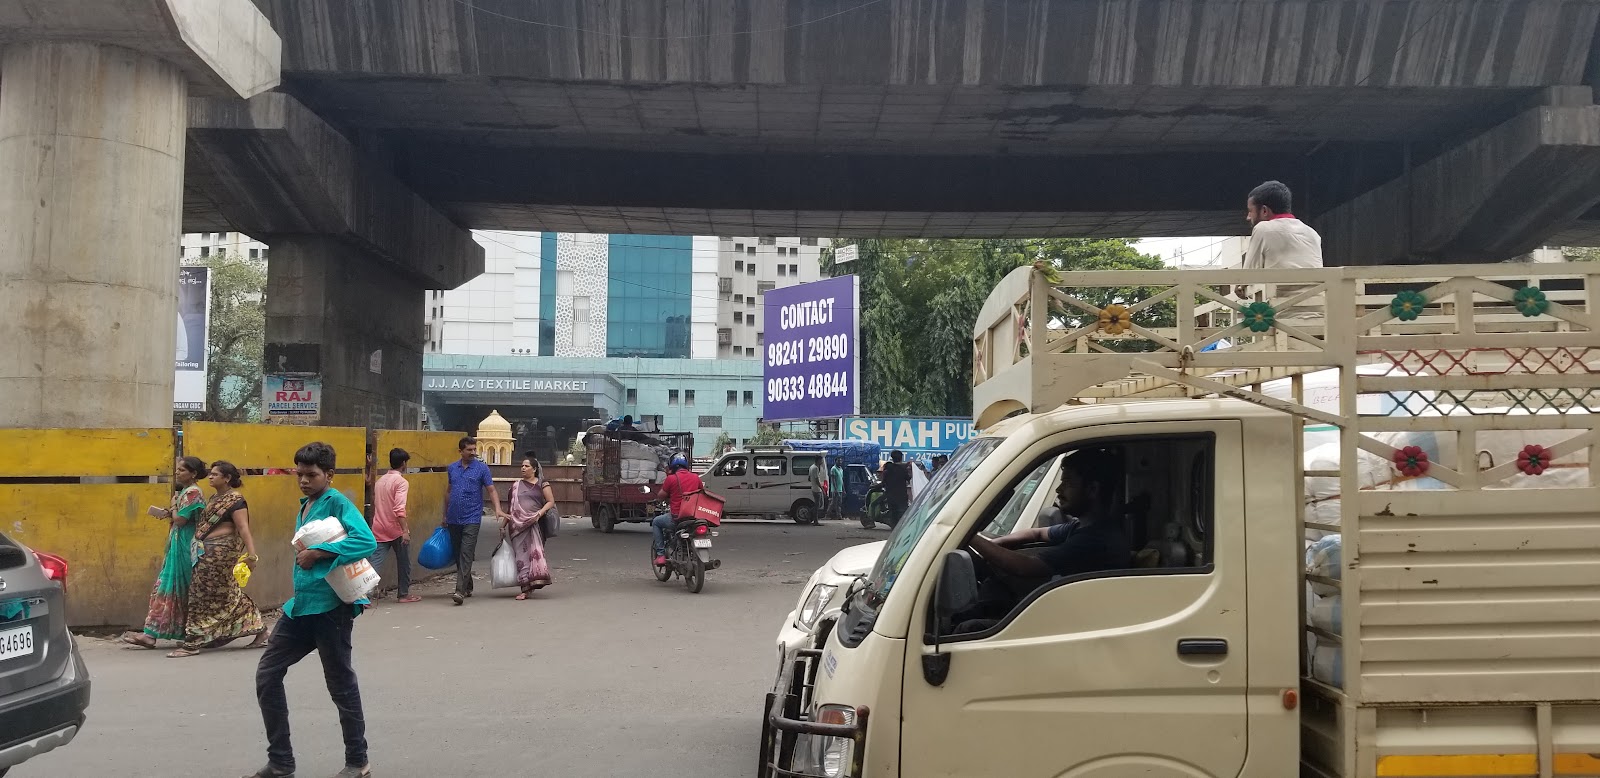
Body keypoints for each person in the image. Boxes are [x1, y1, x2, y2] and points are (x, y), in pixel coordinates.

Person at [244, 442, 378, 778]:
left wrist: (319, 552)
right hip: (301, 606)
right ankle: (281, 762)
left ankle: (358, 762)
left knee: (340, 683)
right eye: (299, 474)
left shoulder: (337, 502)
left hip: (332, 607)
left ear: (329, 475)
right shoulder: (306, 505)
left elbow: (366, 541)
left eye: (311, 475)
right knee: (267, 675)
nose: (303, 480)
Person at [970, 451, 1129, 581]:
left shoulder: (1095, 540)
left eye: (1067, 483)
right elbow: (1036, 533)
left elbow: (1025, 567)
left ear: (1092, 489)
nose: (1059, 490)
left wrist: (970, 537)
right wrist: (996, 543)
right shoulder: (1080, 527)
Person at [170, 461, 267, 657]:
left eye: (215, 474)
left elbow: (243, 528)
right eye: (211, 474)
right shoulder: (215, 498)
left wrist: (252, 555)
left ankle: (194, 641)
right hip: (204, 551)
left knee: (202, 593)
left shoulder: (236, 500)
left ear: (227, 478)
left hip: (222, 553)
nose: (211, 477)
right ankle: (261, 629)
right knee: (223, 592)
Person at [123, 456, 207, 649]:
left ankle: (151, 634)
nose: (177, 473)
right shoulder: (186, 492)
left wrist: (174, 506)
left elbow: (180, 521)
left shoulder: (193, 492)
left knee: (171, 587)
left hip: (185, 545)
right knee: (174, 587)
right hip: (179, 543)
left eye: (182, 470)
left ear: (193, 474)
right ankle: (175, 631)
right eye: (177, 470)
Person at [443, 435, 507, 606]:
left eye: (474, 449)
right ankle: (468, 585)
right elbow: (448, 492)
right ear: (460, 451)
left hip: (472, 517)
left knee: (466, 552)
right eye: (469, 450)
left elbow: (492, 490)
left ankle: (459, 591)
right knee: (458, 554)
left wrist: (498, 509)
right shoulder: (452, 468)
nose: (473, 453)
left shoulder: (482, 469)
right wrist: (444, 514)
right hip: (453, 517)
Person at [1239, 180, 1322, 289]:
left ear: (1264, 211)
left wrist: (1240, 286)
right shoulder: (1312, 233)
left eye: (1250, 211)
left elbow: (1247, 276)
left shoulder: (1263, 229)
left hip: (1283, 304)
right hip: (1319, 302)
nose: (1248, 217)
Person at [369, 448, 419, 603]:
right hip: (396, 528)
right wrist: (405, 530)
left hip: (378, 527)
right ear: (404, 463)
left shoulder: (380, 481)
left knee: (374, 564)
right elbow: (399, 508)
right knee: (404, 563)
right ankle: (403, 594)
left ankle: (364, 597)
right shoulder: (401, 482)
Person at [505, 454, 556, 599]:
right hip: (516, 526)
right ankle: (525, 586)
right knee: (521, 556)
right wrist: (503, 526)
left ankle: (529, 586)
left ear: (534, 469)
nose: (523, 468)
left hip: (536, 524)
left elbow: (550, 501)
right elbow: (511, 508)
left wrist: (539, 514)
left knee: (533, 554)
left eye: (526, 466)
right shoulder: (515, 486)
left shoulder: (542, 484)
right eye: (522, 466)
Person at [652, 455, 703, 566]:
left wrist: (661, 498)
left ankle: (660, 555)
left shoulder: (671, 479)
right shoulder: (696, 478)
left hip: (677, 518)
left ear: (672, 466)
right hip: (694, 517)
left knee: (656, 522)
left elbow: (661, 496)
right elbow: (702, 493)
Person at [879, 450, 913, 526]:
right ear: (901, 458)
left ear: (892, 458)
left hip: (891, 497)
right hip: (902, 497)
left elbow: (883, 483)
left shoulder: (888, 469)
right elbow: (909, 478)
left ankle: (894, 532)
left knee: (893, 516)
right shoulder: (903, 470)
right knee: (901, 517)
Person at [808, 456, 827, 522]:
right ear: (818, 460)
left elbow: (809, 478)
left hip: (814, 488)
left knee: (818, 504)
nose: (822, 462)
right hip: (817, 489)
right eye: (821, 460)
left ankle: (811, 513)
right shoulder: (815, 468)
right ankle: (814, 518)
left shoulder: (811, 467)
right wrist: (822, 489)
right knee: (818, 505)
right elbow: (817, 480)